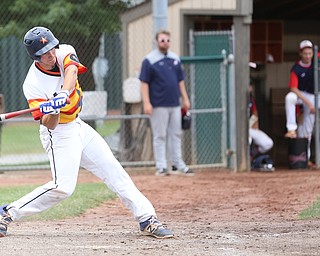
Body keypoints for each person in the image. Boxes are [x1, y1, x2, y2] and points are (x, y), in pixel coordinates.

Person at [0, 26, 173, 239]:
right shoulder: (33, 83)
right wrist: (52, 110)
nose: (51, 54)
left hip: (78, 126)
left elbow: (72, 71)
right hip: (59, 134)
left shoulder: (64, 51)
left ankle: (147, 218)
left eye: (52, 48)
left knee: (114, 170)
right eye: (44, 54)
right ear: (35, 57)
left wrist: (63, 93)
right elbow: (49, 124)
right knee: (63, 187)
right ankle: (6, 213)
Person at [139, 29, 194, 176]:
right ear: (157, 41)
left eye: (167, 40)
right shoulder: (149, 60)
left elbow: (180, 81)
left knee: (176, 134)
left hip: (174, 103)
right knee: (160, 135)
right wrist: (147, 103)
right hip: (158, 104)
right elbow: (144, 83)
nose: (165, 42)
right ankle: (161, 166)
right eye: (162, 40)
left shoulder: (175, 58)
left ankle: (178, 164)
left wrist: (185, 98)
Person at [284, 40, 317, 162]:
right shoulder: (296, 68)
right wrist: (308, 105)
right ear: (301, 54)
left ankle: (306, 159)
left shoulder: (316, 62)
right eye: (305, 53)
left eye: (310, 53)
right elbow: (293, 88)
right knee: (290, 97)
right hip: (302, 95)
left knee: (306, 131)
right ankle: (291, 129)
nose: (308, 56)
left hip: (314, 96)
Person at [248, 79, 274, 166]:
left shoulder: (251, 99)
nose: (250, 87)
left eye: (250, 85)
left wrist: (255, 122)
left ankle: (252, 155)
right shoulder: (237, 99)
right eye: (248, 85)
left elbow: (255, 112)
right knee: (248, 140)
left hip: (249, 127)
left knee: (268, 143)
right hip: (239, 129)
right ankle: (245, 159)